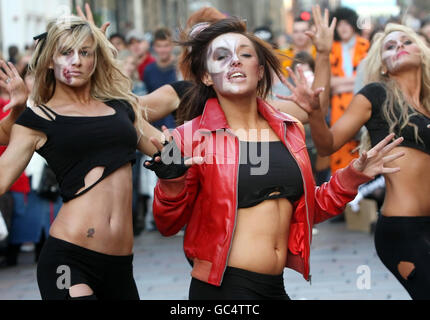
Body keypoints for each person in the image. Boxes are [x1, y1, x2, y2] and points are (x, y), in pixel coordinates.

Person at [143, 17, 404, 300]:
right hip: (224, 290)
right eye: (221, 56)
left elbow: (310, 209)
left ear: (259, 70)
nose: (235, 61)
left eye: (244, 54)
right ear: (207, 75)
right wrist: (170, 181)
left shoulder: (288, 129)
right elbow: (167, 225)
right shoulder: (187, 137)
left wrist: (353, 175)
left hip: (276, 287)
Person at [0, 15, 162, 300]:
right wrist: (14, 112)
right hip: (68, 261)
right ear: (49, 60)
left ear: (95, 59)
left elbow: (165, 150)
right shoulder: (37, 119)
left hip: (121, 266)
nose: (75, 61)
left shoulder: (121, 108)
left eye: (84, 52)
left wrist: (188, 149)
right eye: (65, 52)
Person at [296, 23, 430, 300]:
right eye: (390, 47)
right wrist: (315, 113)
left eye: (406, 41)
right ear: (383, 66)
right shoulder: (375, 96)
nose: (399, 47)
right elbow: (327, 144)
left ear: (422, 52)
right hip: (403, 230)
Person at [329, 7, 370, 175]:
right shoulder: (331, 49)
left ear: (353, 24)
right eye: (339, 24)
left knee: (364, 148)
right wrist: (355, 81)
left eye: (346, 23)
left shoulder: (366, 46)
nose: (343, 27)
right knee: (339, 144)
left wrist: (340, 84)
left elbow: (369, 78)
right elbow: (329, 83)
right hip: (338, 109)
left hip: (363, 105)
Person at [143, 27, 178, 130]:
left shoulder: (180, 68)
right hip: (156, 126)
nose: (163, 50)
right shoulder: (149, 70)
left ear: (172, 46)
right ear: (154, 47)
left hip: (178, 125)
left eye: (166, 46)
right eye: (159, 46)